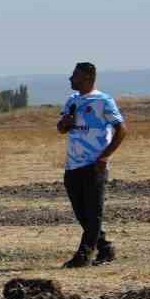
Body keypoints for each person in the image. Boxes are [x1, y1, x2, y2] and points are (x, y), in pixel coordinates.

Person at [56, 62, 127, 268]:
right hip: (72, 165)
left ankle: (83, 256)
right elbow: (61, 129)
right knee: (82, 213)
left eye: (75, 76)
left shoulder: (103, 101)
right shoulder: (72, 100)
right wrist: (65, 122)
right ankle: (105, 247)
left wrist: (105, 157)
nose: (71, 79)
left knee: (94, 212)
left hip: (94, 165)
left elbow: (121, 129)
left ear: (88, 77)